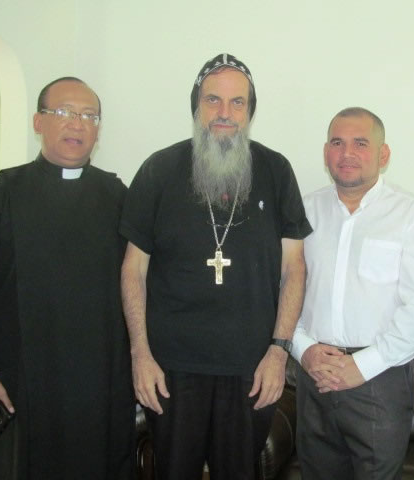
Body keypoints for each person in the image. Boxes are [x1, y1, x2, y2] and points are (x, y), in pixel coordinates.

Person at [119, 53, 311, 480]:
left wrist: (278, 352)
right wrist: (140, 354)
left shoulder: (275, 170)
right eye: (213, 100)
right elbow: (133, 270)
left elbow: (295, 269)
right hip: (171, 368)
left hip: (251, 369)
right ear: (196, 106)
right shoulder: (158, 170)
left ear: (250, 111)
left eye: (237, 102)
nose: (225, 113)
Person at [0, 77, 135, 479]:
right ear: (37, 122)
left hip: (99, 382)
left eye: (89, 116)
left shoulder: (119, 199)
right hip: (19, 380)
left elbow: (138, 288)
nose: (77, 124)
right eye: (64, 112)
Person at [291, 107, 414, 479]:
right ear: (326, 152)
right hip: (314, 373)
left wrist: (362, 365)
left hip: (380, 377)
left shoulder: (412, 216)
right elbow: (282, 289)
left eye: (360, 143)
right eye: (337, 143)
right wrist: (303, 349)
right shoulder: (301, 212)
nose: (347, 153)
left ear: (383, 154)